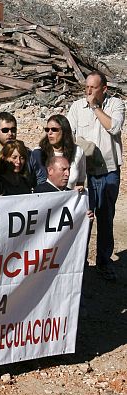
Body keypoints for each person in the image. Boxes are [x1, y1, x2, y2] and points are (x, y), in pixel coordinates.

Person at [67, 71, 125, 280]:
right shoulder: (76, 108)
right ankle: (79, 263)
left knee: (106, 217)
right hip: (85, 173)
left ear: (104, 89)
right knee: (84, 218)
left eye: (93, 87)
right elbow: (68, 134)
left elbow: (114, 127)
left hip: (109, 171)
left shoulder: (116, 104)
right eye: (87, 87)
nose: (89, 91)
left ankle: (103, 262)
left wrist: (95, 108)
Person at [30, 115, 85, 189]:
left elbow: (80, 182)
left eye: (54, 129)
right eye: (47, 129)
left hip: (69, 199)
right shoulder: (38, 154)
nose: (49, 133)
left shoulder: (78, 151)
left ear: (64, 131)